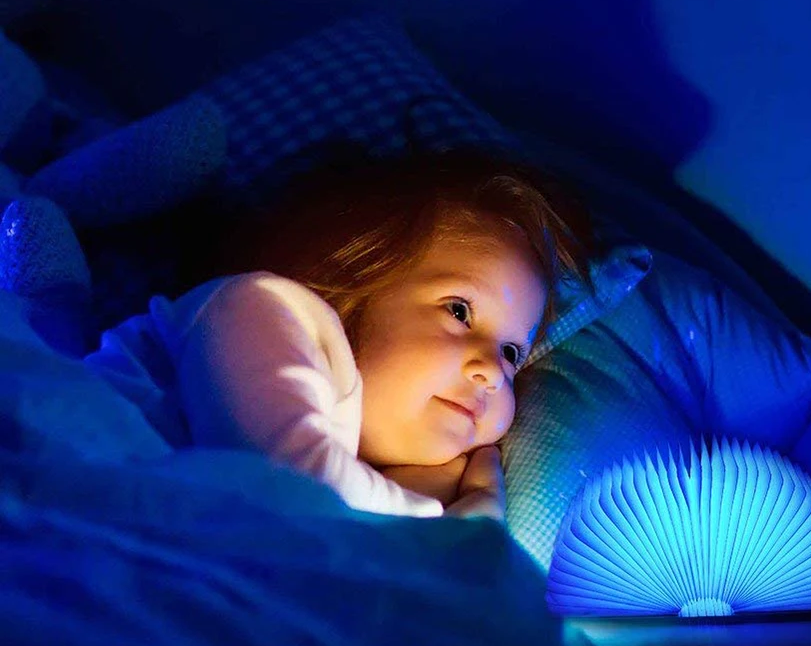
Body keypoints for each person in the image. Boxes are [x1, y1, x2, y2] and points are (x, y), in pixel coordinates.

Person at [87, 148, 592, 521]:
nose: (492, 373)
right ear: (355, 271)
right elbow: (292, 493)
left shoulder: (364, 462)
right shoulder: (258, 308)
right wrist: (453, 520)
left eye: (512, 352)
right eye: (459, 311)